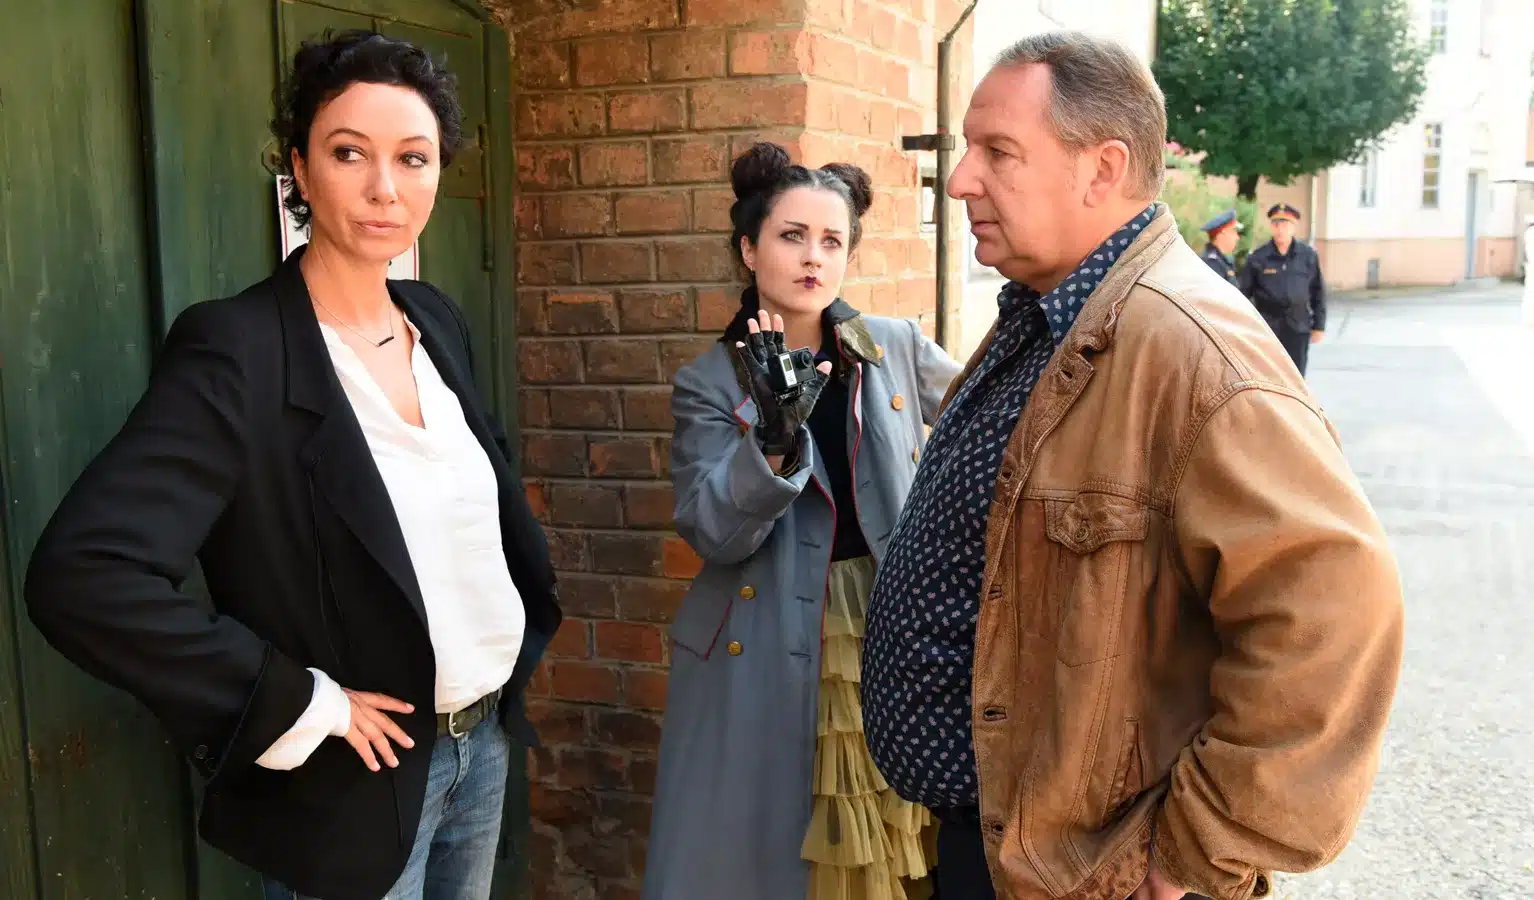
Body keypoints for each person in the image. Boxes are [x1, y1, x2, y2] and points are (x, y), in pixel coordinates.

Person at [860, 31, 1404, 900]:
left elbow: (1335, 612)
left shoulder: (1189, 346)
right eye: (968, 150)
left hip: (1091, 875)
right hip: (1003, 847)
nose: (960, 180)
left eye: (999, 151)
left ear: (1102, 169)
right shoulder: (1050, 314)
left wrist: (1194, 853)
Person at [23, 30, 561, 900]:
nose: (386, 187)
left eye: (413, 157)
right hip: (355, 781)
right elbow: (83, 574)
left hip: (483, 744)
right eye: (349, 153)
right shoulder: (239, 350)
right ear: (300, 172)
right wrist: (301, 702)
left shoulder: (433, 318)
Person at [642, 142, 962, 900]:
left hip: (886, 623)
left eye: (832, 240)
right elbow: (714, 533)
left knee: (893, 840)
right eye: (791, 236)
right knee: (778, 857)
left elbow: (989, 428)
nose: (814, 257)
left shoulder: (892, 346)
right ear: (749, 250)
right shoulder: (708, 381)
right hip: (761, 637)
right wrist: (773, 449)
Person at [1238, 202, 1326, 374]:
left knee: (1296, 375)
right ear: (1271, 227)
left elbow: (1318, 292)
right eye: (1276, 224)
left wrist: (1319, 326)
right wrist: (1246, 326)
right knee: (1269, 375)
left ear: (1293, 227)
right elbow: (1243, 294)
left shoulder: (1307, 256)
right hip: (1268, 329)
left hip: (1298, 327)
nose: (1280, 229)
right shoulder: (1258, 257)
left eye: (1285, 225)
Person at [1198, 208, 1242, 288]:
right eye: (1234, 231)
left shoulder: (1222, 261)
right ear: (1223, 232)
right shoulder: (1212, 264)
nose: (1237, 237)